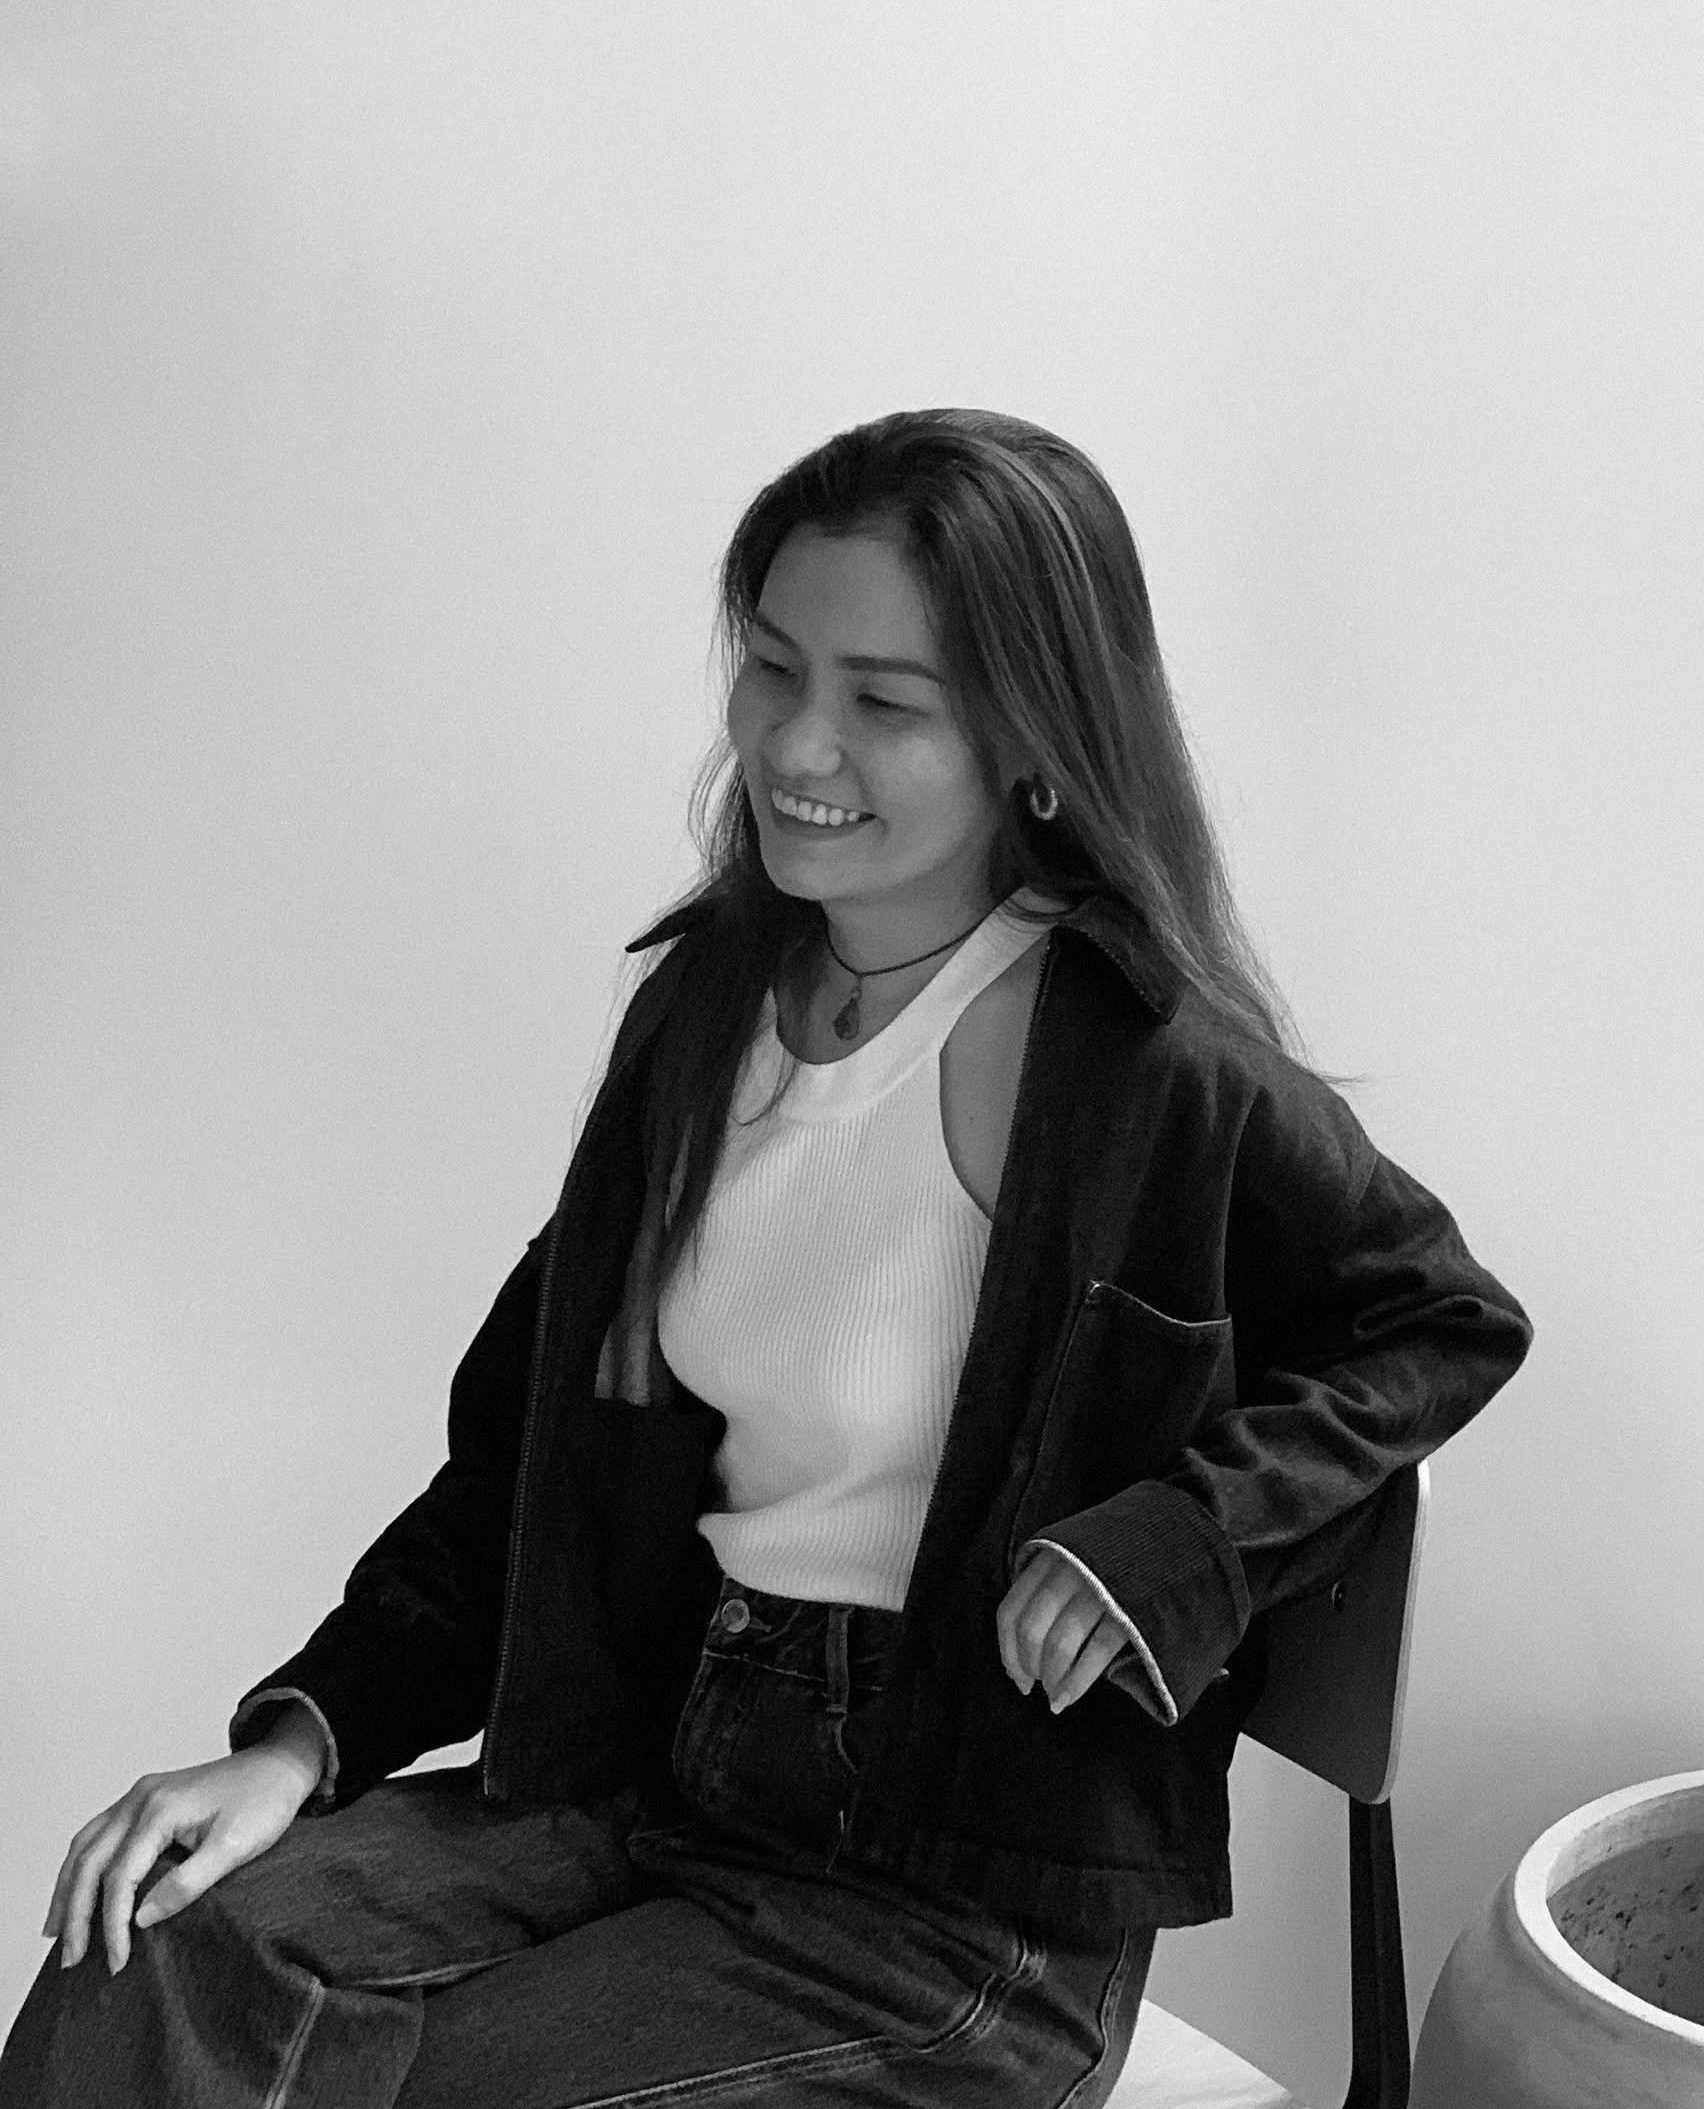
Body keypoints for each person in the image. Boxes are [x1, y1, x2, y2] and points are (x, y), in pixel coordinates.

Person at [1, 410, 1532, 2107]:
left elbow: (1440, 1319)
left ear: (1035, 739)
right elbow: (527, 1461)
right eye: (774, 666)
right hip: (648, 1770)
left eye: (886, 701)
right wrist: (303, 1742)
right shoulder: (705, 1015)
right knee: (149, 1947)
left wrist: (1181, 1536)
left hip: (952, 1899)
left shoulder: (1144, 1072)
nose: (798, 741)